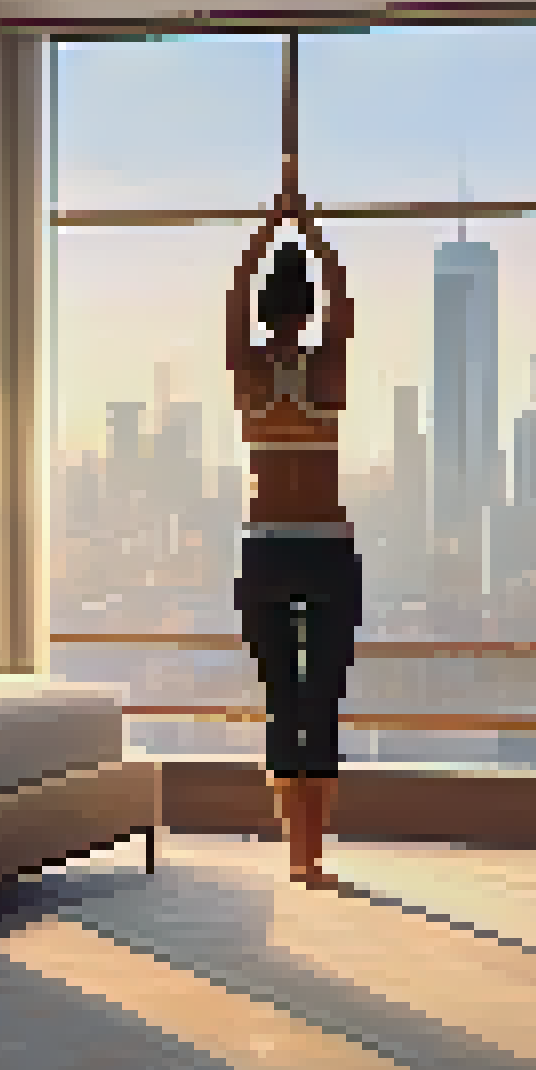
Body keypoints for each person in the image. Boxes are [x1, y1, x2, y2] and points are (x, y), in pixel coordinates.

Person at [225, 192, 358, 889]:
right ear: (304, 314)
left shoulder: (252, 374)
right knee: (316, 701)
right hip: (320, 546)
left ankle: (300, 854)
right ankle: (310, 854)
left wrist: (269, 233)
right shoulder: (324, 370)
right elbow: (343, 304)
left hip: (273, 546)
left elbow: (233, 308)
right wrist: (307, 231)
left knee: (287, 700)